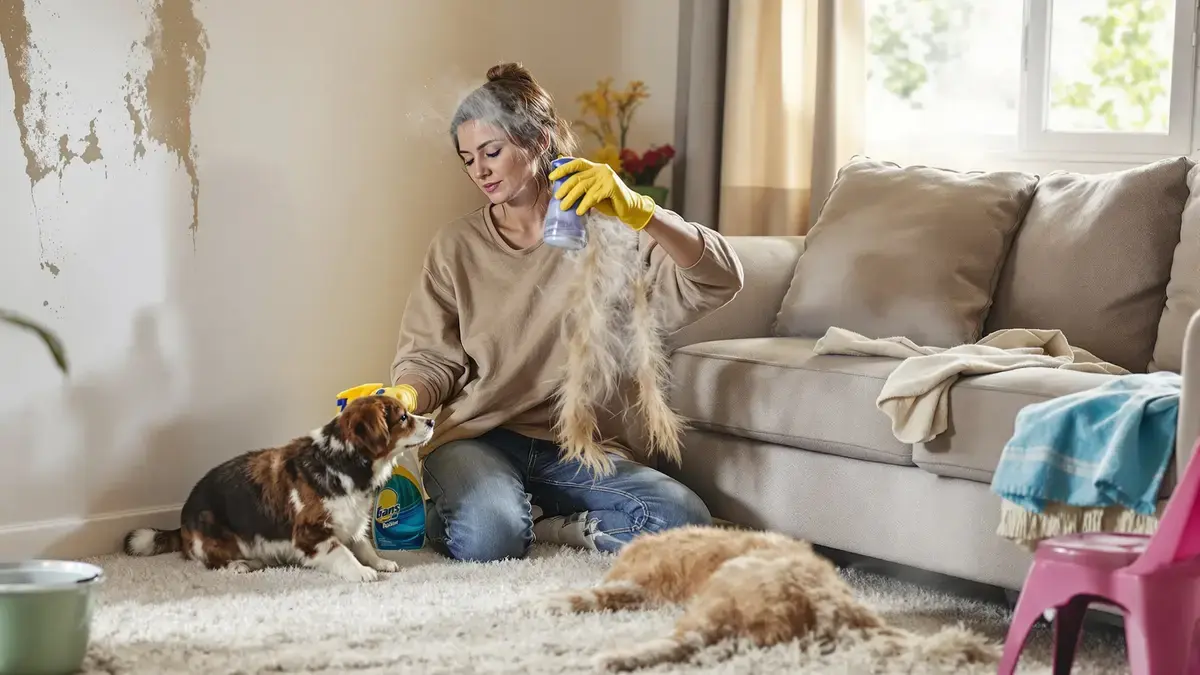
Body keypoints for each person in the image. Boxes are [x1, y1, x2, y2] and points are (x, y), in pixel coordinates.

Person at [389, 62, 745, 562]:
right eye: (468, 159)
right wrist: (406, 393)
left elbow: (721, 278)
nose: (480, 171)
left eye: (492, 152)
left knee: (684, 519)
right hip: (479, 438)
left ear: (538, 141)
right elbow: (432, 358)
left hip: (578, 445)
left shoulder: (610, 228)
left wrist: (641, 210)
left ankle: (554, 526)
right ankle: (485, 506)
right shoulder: (455, 246)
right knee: (491, 538)